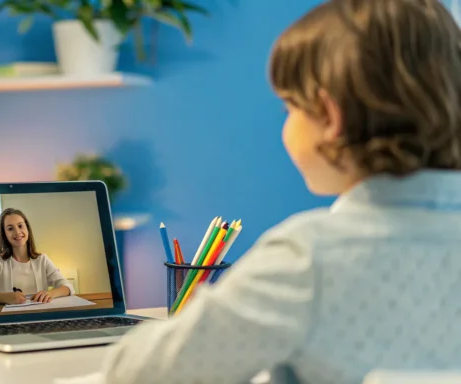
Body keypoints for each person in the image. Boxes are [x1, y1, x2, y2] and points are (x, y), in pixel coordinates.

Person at [96, 1, 461, 383]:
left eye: (289, 107)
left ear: (329, 116)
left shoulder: (309, 258)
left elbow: (139, 373)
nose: (286, 123)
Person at [0, 208, 74, 305]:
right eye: (10, 228)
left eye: (20, 226)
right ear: (4, 234)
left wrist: (50, 294)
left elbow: (68, 287)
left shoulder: (42, 260)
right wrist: (7, 297)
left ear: (27, 228)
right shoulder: (0, 262)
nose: (17, 232)